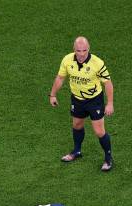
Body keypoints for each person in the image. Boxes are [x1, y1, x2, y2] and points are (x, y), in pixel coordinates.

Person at [49, 36, 114, 171]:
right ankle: (77, 151)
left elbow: (107, 83)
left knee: (99, 131)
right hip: (77, 99)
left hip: (94, 101)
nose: (82, 54)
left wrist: (110, 103)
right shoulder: (67, 60)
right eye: (78, 50)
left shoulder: (97, 63)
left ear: (88, 49)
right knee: (77, 125)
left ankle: (108, 158)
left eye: (84, 50)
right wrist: (53, 94)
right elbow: (60, 78)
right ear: (74, 50)